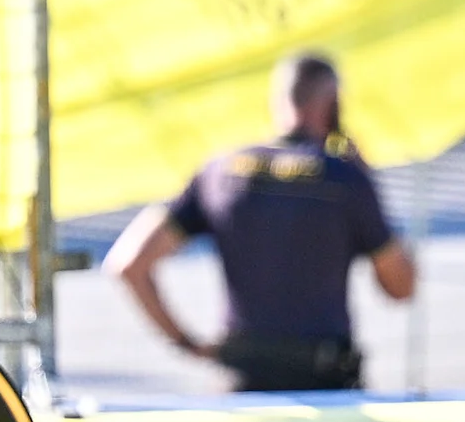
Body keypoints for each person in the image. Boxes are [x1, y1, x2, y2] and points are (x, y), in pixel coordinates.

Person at [105, 51, 414, 392]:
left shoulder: (221, 170)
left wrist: (186, 342)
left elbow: (129, 264)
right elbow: (400, 286)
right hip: (323, 380)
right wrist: (367, 184)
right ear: (333, 104)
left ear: (278, 101)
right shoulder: (343, 177)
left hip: (242, 378)